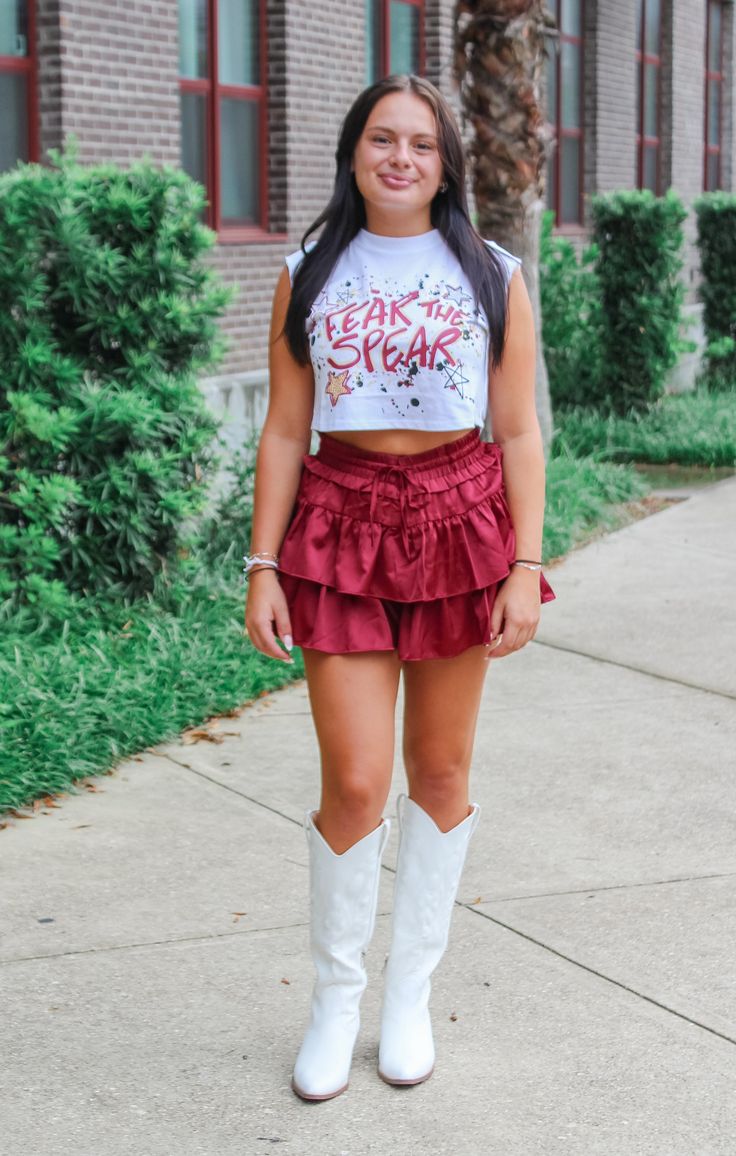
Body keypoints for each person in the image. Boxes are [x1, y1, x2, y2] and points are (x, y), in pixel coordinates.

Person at [243, 73, 556, 1101]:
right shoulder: (308, 270)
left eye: (422, 145)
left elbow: (516, 429)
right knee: (356, 782)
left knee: (441, 772)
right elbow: (286, 429)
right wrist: (261, 565)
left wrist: (524, 565)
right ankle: (337, 1000)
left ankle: (406, 1000)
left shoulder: (489, 270)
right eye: (384, 139)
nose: (401, 159)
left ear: (444, 164)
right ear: (353, 151)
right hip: (335, 523)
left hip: (459, 521)